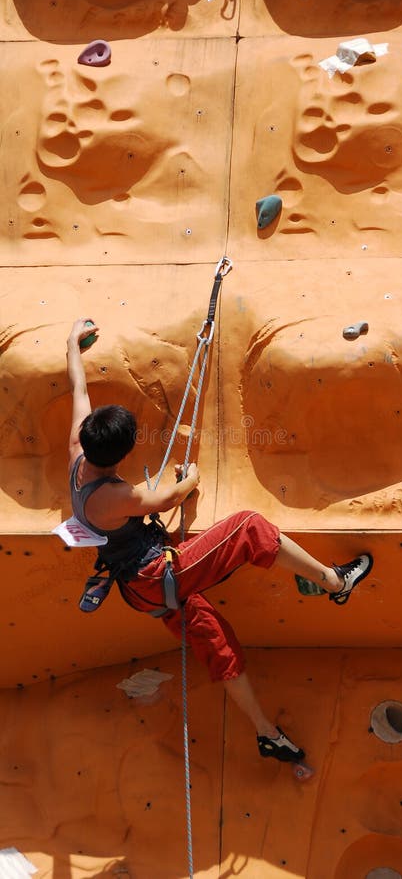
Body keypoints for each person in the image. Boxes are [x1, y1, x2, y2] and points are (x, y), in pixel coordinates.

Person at [67, 318, 373, 764]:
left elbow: (78, 390)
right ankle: (334, 583)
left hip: (141, 586)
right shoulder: (116, 495)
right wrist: (186, 478)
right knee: (248, 526)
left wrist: (72, 345)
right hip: (157, 573)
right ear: (124, 454)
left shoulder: (77, 453)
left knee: (219, 645)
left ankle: (267, 734)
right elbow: (174, 493)